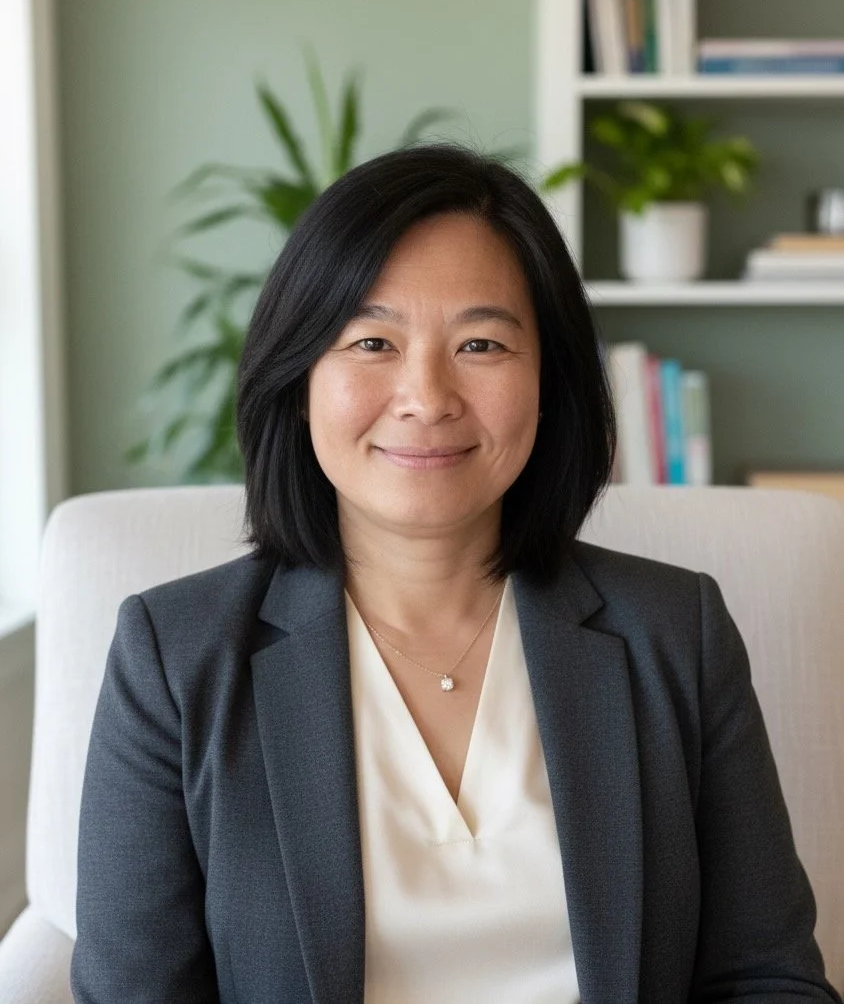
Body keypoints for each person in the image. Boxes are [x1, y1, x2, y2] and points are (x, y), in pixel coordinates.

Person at [71, 143, 841, 1004]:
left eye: (481, 342)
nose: (427, 396)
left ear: (550, 380)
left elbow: (767, 978)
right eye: (372, 341)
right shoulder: (175, 660)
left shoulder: (675, 633)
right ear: (299, 379)